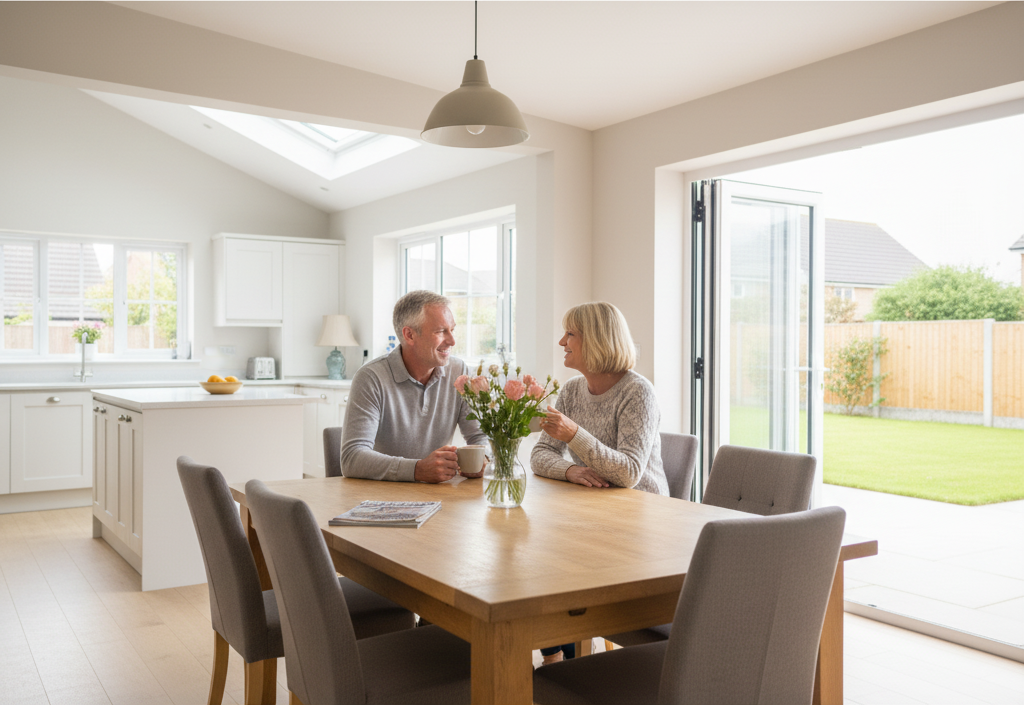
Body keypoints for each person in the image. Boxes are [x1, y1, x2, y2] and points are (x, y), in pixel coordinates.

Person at [530, 301, 667, 664]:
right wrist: (570, 470)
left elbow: (629, 473)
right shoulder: (573, 390)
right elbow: (540, 455)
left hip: (640, 522)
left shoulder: (638, 392)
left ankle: (563, 662)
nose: (562, 341)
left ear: (596, 340)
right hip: (592, 513)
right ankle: (556, 657)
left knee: (551, 561)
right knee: (536, 556)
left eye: (570, 334)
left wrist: (575, 434)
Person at [341, 290, 489, 482]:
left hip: (441, 496)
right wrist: (417, 469)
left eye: (452, 330)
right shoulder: (371, 378)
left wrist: (483, 460)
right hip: (381, 498)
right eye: (440, 331)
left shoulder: (458, 371)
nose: (452, 341)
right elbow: (352, 458)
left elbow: (479, 436)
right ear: (409, 335)